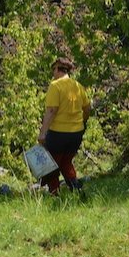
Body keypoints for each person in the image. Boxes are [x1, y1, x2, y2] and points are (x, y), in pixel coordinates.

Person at [37, 56, 91, 195]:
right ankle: (77, 191)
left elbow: (51, 110)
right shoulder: (77, 86)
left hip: (58, 134)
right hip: (76, 133)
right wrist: (83, 122)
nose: (53, 73)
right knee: (66, 162)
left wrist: (43, 132)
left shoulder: (55, 86)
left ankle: (54, 194)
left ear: (57, 69)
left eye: (53, 70)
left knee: (52, 166)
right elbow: (87, 107)